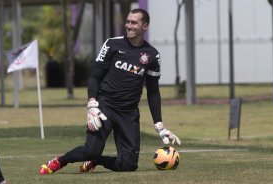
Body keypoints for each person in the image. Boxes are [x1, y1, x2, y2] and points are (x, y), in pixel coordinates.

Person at [39, 8, 181, 175]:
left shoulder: (152, 55)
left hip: (129, 113)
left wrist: (159, 125)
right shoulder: (112, 44)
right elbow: (94, 77)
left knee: (128, 165)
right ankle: (59, 161)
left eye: (134, 22)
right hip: (105, 107)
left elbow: (153, 92)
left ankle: (96, 161)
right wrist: (92, 104)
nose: (129, 25)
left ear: (145, 26)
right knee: (91, 150)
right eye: (127, 21)